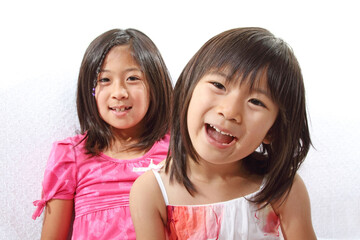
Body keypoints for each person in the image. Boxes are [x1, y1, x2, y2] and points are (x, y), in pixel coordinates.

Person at [130, 27, 317, 239]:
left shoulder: (281, 188)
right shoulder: (151, 191)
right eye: (219, 85)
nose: (229, 111)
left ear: (272, 130)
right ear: (189, 88)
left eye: (256, 101)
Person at [32, 28, 173, 240]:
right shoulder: (71, 156)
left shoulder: (177, 151)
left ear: (154, 86)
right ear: (90, 90)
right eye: (105, 80)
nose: (119, 92)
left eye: (133, 78)